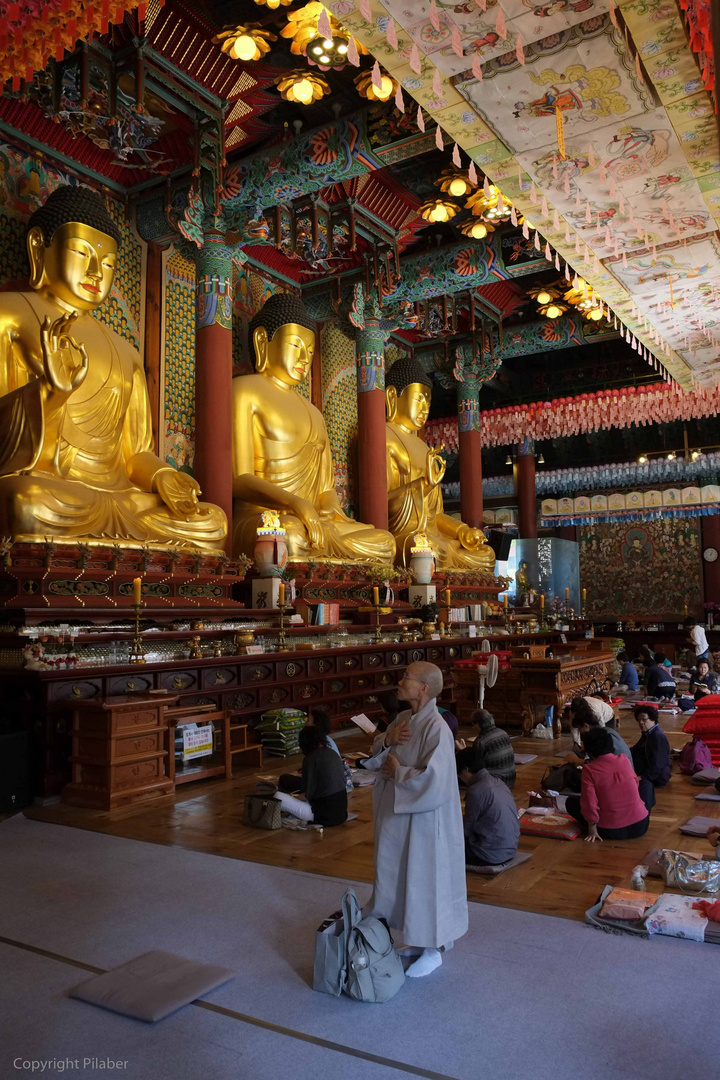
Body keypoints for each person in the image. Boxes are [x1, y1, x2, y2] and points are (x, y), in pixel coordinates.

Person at [363, 661, 468, 978]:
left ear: (423, 688)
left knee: (426, 881)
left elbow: (437, 780)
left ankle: (434, 949)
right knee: (399, 878)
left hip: (425, 819)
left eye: (406, 677)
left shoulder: (438, 728)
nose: (400, 681)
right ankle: (415, 937)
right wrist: (386, 740)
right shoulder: (404, 718)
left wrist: (399, 773)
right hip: (397, 814)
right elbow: (375, 758)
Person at [565, 727, 651, 842]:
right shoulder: (624, 759)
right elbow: (634, 786)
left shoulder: (589, 769)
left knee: (571, 802)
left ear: (589, 750)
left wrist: (592, 828)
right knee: (645, 784)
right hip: (641, 826)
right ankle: (640, 812)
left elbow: (590, 802)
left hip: (611, 831)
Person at [456, 745, 520, 867]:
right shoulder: (498, 781)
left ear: (466, 770)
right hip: (510, 849)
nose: (460, 779)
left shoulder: (476, 790)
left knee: (443, 846)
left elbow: (466, 829)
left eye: (460, 775)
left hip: (488, 855)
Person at [272, 725, 348, 826]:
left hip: (323, 816)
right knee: (287, 780)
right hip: (342, 813)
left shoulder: (311, 758)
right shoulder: (332, 752)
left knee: (278, 797)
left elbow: (307, 795)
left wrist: (293, 798)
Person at [278, 707, 352, 793]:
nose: (305, 724)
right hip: (338, 785)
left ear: (315, 725)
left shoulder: (319, 743)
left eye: (308, 721)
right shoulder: (325, 739)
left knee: (284, 779)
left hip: (327, 788)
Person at [566, 701, 633, 765]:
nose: (579, 731)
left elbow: (599, 766)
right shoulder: (606, 731)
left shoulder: (602, 739)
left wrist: (576, 760)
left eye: (579, 728)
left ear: (586, 726)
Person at [471, 709, 516, 788]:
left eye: (473, 724)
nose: (473, 727)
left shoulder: (480, 741)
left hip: (496, 782)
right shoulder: (503, 733)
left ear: (478, 724)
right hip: (511, 778)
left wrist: (464, 753)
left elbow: (477, 768)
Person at [631, 705, 672, 787]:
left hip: (656, 777)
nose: (641, 722)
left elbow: (659, 763)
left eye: (644, 719)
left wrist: (642, 777)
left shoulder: (658, 736)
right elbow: (636, 749)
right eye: (639, 720)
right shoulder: (648, 733)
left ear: (653, 719)